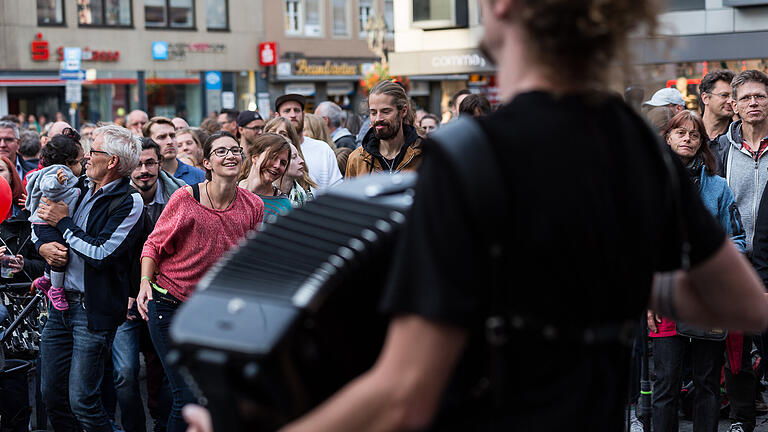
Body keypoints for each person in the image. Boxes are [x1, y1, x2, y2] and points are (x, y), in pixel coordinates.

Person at [198, 1, 764, 431]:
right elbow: (740, 303)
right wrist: (612, 280)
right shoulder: (634, 143)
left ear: (504, 10)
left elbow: (406, 390)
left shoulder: (469, 156)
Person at [136, 130, 263, 432]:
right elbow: (153, 245)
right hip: (170, 303)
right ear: (206, 162)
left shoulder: (252, 205)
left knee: (213, 394)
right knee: (188, 395)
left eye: (235, 150)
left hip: (214, 311)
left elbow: (251, 259)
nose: (230, 155)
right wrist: (144, 282)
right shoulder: (186, 198)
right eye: (221, 152)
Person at [35, 124, 144, 432]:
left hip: (91, 310)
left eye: (92, 151)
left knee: (83, 400)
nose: (85, 158)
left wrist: (64, 223)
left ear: (111, 161)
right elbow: (40, 215)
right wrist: (43, 245)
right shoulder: (77, 186)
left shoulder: (128, 201)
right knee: (51, 395)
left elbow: (101, 254)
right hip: (59, 307)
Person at [649, 110, 746, 432]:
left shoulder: (718, 188)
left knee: (707, 383)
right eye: (681, 133)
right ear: (667, 137)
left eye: (694, 135)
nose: (687, 139)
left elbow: (739, 240)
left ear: (702, 142)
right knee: (665, 386)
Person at [109, 137, 186, 432]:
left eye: (150, 163)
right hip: (126, 300)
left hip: (165, 298)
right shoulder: (116, 199)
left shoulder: (180, 197)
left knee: (167, 371)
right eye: (138, 164)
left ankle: (163, 424)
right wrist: (126, 294)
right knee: (126, 373)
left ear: (159, 163)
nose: (144, 170)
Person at [713, 70, 768, 432]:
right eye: (746, 98)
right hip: (734, 262)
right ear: (734, 104)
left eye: (760, 97)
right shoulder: (719, 150)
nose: (753, 103)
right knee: (736, 350)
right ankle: (741, 419)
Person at [26, 133, 84, 311]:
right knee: (60, 254)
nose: (83, 166)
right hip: (45, 224)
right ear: (68, 163)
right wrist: (58, 183)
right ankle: (56, 289)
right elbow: (48, 187)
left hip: (45, 224)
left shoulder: (69, 175)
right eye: (80, 162)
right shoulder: (58, 173)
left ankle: (46, 278)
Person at [345, 80, 424, 178]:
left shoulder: (423, 155)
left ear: (403, 111)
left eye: (386, 112)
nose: (378, 119)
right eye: (373, 113)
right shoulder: (357, 159)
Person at [275, 94, 343, 192]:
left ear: (303, 114)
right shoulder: (271, 153)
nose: (293, 115)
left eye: (297, 110)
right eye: (287, 111)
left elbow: (336, 188)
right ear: (277, 116)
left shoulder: (322, 149)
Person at [0, 155, 44, 284]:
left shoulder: (28, 216)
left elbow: (46, 265)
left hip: (22, 295)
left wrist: (24, 264)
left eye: (0, 170)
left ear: (12, 176)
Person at [238, 133, 292, 223]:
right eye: (272, 157)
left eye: (283, 163)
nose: (277, 165)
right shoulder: (230, 190)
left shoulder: (283, 207)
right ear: (255, 157)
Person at [264, 117, 316, 203]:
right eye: (272, 133)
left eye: (283, 134)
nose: (278, 138)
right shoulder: (257, 188)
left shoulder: (304, 193)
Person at [143, 116, 206, 185]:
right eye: (161, 137)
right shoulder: (143, 176)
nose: (170, 141)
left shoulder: (200, 176)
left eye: (172, 136)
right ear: (149, 141)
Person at [275, 141, 315, 208]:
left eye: (299, 156)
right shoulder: (265, 196)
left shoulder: (306, 197)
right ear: (279, 162)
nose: (301, 161)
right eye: (294, 157)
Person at [700, 70, 736, 144]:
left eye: (734, 97)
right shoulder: (688, 134)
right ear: (705, 98)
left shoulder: (739, 137)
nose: (730, 101)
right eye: (724, 95)